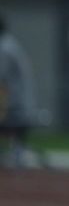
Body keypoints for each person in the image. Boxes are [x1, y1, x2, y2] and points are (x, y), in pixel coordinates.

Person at [0, 15, 45, 169]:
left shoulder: (4, 48)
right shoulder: (9, 44)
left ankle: (20, 156)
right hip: (19, 103)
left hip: (17, 106)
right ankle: (19, 154)